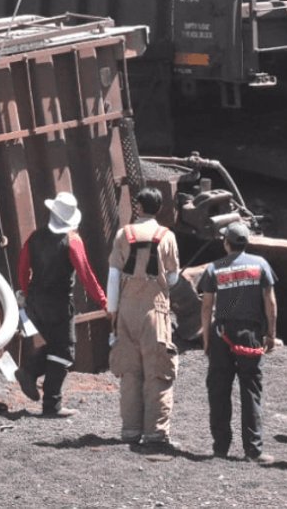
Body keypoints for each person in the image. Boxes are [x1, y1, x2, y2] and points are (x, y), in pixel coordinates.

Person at [15, 192, 108, 418]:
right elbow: (86, 275)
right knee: (65, 351)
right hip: (58, 305)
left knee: (58, 346)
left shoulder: (34, 237)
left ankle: (30, 374)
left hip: (35, 303)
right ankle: (49, 401)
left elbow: (22, 268)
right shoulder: (72, 242)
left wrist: (26, 293)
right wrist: (104, 301)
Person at [197, 222, 278, 466]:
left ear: (226, 243)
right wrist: (271, 334)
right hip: (250, 334)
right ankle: (253, 450)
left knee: (219, 390)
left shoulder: (214, 268)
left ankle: (220, 447)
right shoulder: (260, 265)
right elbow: (270, 302)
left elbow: (207, 306)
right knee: (250, 389)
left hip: (222, 334)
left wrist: (206, 339)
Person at [107, 187, 181, 450]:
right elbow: (173, 277)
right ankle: (155, 433)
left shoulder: (123, 234)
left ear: (138, 207)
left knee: (129, 371)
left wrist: (113, 312)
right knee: (157, 371)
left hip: (126, 309)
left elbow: (113, 276)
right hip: (155, 310)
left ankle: (130, 429)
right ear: (159, 208)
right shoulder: (167, 236)